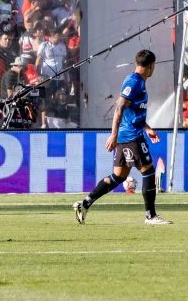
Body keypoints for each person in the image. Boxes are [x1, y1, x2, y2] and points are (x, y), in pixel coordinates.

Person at [73, 50, 171, 225]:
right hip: (131, 137)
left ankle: (85, 203)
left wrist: (147, 128)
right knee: (148, 172)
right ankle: (151, 216)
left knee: (119, 176)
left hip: (130, 134)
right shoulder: (134, 83)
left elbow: (133, 111)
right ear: (151, 66)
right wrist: (113, 135)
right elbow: (119, 107)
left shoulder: (136, 81)